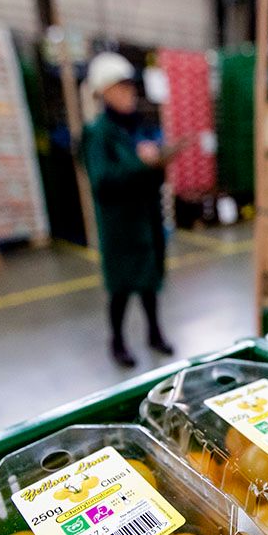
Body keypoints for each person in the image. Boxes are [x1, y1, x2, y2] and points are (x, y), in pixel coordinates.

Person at [80, 52, 181, 368]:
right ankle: (117, 342)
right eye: (121, 87)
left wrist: (158, 162)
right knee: (121, 288)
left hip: (147, 220)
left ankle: (154, 333)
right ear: (104, 92)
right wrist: (141, 163)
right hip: (120, 225)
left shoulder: (139, 128)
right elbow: (102, 181)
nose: (129, 93)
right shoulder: (98, 133)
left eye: (130, 87)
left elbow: (153, 173)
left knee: (149, 282)